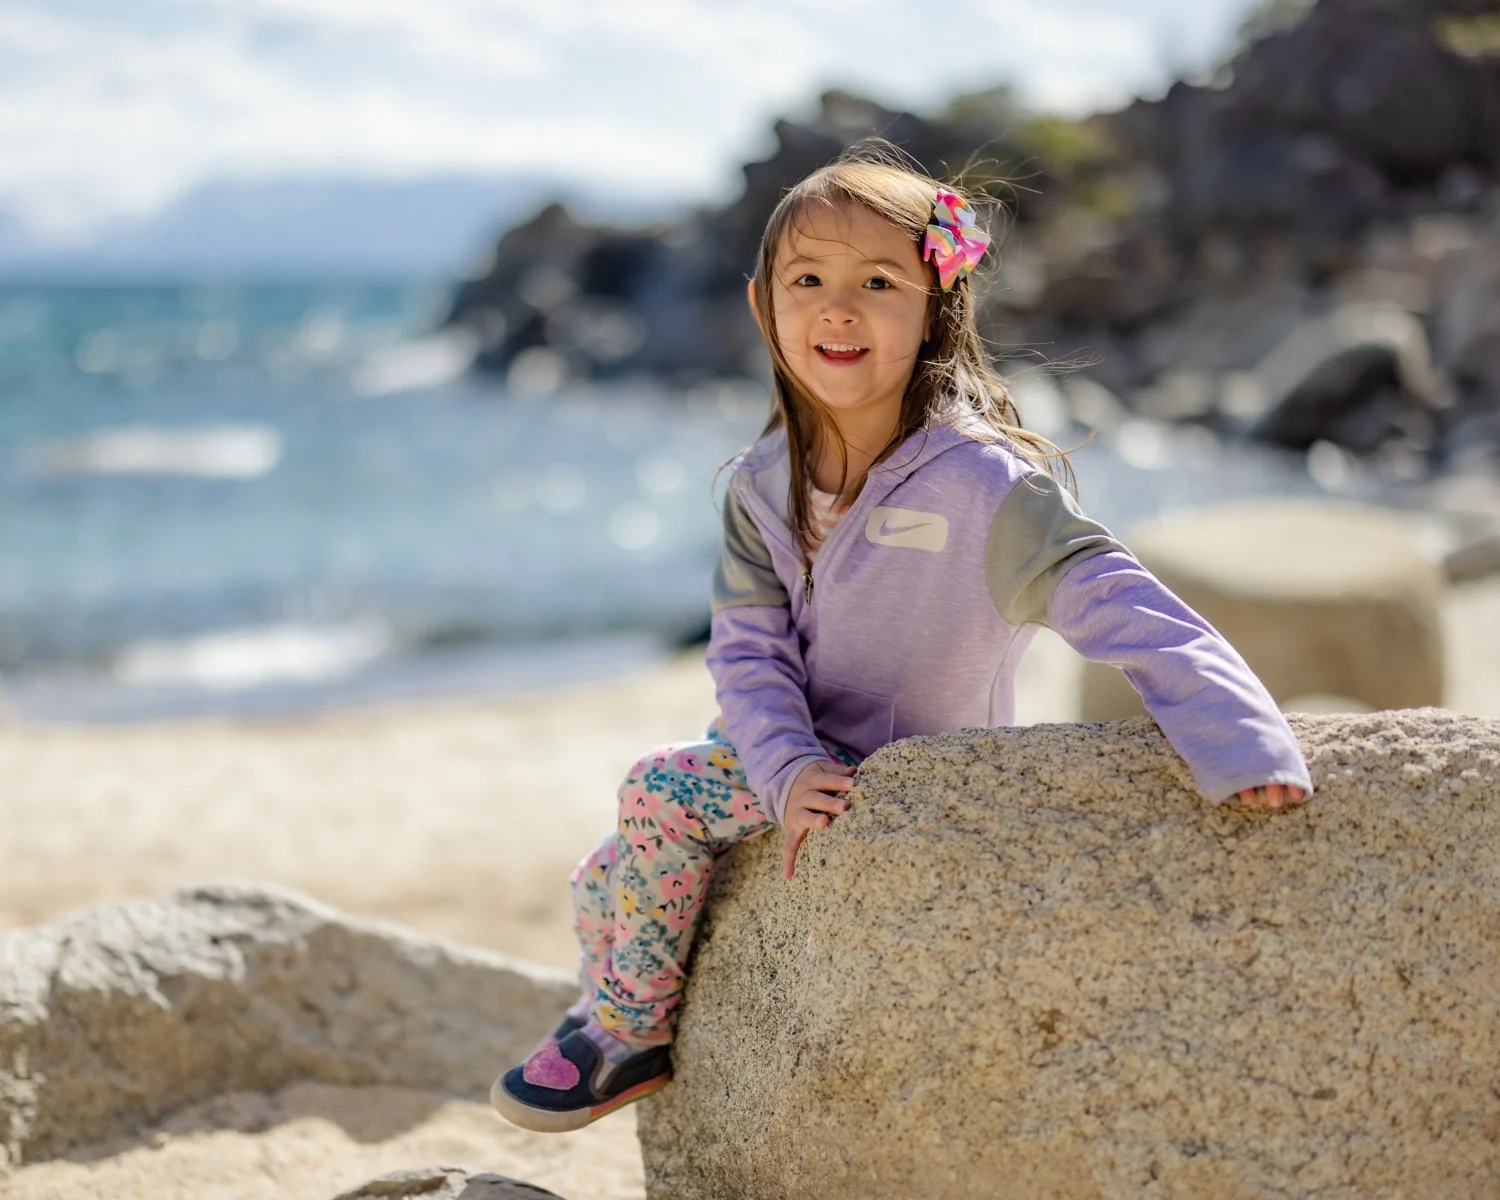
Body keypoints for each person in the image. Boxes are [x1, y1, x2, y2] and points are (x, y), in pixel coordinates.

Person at [490, 151, 1313, 1133]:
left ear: (937, 308)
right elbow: (747, 653)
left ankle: (628, 1034)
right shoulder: (762, 483)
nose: (837, 310)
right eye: (809, 283)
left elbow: (1130, 608)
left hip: (912, 773)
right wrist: (784, 765)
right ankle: (605, 1006)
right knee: (602, 872)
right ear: (763, 308)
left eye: (877, 284)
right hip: (800, 762)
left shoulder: (983, 486)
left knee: (653, 792)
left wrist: (1243, 742)